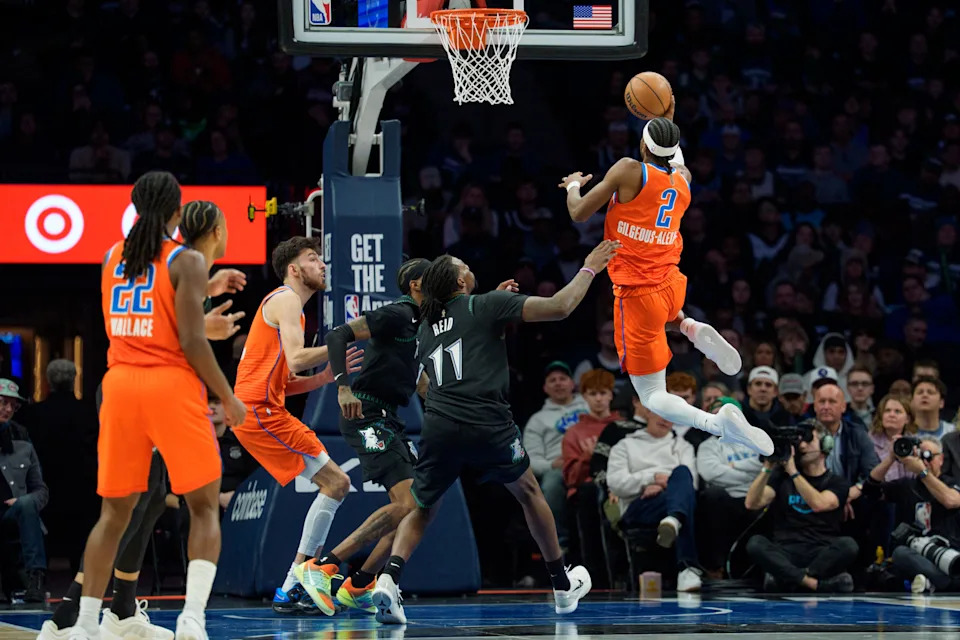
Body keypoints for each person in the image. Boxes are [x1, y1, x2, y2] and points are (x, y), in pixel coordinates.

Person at [372, 241, 620, 623]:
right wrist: (588, 267)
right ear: (460, 279)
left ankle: (389, 579)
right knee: (529, 491)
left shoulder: (426, 326)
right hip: (487, 421)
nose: (471, 267)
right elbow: (561, 306)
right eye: (466, 264)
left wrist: (496, 305)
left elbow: (456, 348)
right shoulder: (484, 304)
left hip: (438, 425)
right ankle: (561, 585)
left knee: (424, 506)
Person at [40, 207, 248, 640]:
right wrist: (223, 384)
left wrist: (209, 290)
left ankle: (118, 606)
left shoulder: (168, 264)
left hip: (130, 384)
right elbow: (175, 332)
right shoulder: (174, 261)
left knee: (150, 499)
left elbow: (162, 315)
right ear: (213, 232)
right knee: (133, 505)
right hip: (150, 385)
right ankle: (73, 612)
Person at [560, 112, 772, 457]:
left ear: (643, 144)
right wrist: (666, 113)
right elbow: (676, 160)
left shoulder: (629, 169)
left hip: (637, 295)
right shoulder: (684, 180)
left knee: (652, 396)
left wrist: (572, 186)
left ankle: (718, 425)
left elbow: (579, 213)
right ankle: (688, 326)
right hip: (671, 285)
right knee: (667, 314)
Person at [230, 236, 363, 616]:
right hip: (258, 411)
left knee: (336, 485)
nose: (322, 265)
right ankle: (299, 579)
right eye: (312, 258)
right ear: (293, 268)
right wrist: (345, 337)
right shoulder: (286, 299)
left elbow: (285, 375)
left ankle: (291, 588)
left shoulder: (291, 309)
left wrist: (321, 379)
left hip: (264, 408)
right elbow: (297, 356)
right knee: (337, 483)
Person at [300, 259, 443, 614]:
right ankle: (322, 567)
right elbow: (337, 335)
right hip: (364, 412)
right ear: (416, 284)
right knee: (408, 503)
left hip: (388, 417)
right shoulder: (397, 313)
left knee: (419, 507)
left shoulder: (423, 326)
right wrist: (342, 388)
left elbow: (421, 383)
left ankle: (361, 582)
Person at [744, 420, 858, 593]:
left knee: (849, 545)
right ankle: (812, 583)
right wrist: (767, 467)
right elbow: (751, 503)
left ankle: (789, 579)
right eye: (799, 442)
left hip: (820, 551)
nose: (802, 446)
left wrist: (793, 472)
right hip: (786, 550)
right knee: (755, 543)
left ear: (826, 445)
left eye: (808, 440)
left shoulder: (837, 483)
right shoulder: (781, 477)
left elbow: (818, 504)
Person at [607, 407, 702, 591]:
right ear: (648, 413)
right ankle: (687, 568)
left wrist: (662, 484)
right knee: (683, 500)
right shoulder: (624, 445)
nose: (665, 419)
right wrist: (650, 479)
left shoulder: (683, 446)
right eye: (660, 413)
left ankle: (674, 519)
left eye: (670, 415)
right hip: (639, 506)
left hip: (670, 501)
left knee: (682, 474)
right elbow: (615, 482)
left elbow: (693, 484)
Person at [864, 437, 960, 593]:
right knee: (900, 553)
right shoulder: (906, 486)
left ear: (941, 459)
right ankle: (946, 584)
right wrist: (891, 458)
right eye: (920, 456)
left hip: (951, 554)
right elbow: (870, 489)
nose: (924, 461)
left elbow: (951, 500)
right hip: (919, 555)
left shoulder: (951, 483)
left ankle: (934, 582)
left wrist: (922, 472)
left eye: (929, 456)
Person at [523, 361, 588, 549]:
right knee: (550, 484)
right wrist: (552, 465)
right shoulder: (537, 420)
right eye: (552, 380)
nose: (558, 383)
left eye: (563, 379)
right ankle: (559, 546)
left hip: (593, 461)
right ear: (545, 388)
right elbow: (530, 462)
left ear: (572, 383)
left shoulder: (589, 405)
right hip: (560, 468)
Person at [0, 378, 48, 602]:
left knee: (28, 503)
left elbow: (41, 490)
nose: (8, 409)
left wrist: (22, 501)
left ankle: (35, 580)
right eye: (2, 403)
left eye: (13, 405)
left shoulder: (22, 439)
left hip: (14, 513)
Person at [868, 395, 917, 482]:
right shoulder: (868, 441)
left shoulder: (914, 441)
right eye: (887, 411)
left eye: (897, 411)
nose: (891, 415)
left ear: (908, 419)